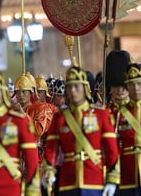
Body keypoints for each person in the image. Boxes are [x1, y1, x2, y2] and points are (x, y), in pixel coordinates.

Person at [42, 65, 119, 196]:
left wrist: (112, 178)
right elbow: (52, 149)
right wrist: (49, 169)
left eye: (77, 86)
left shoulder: (101, 115)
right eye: (70, 86)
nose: (73, 90)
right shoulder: (59, 117)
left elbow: (111, 149)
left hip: (93, 180)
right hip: (68, 181)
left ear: (85, 88)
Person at [116, 62, 141, 195]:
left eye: (139, 83)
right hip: (127, 174)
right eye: (131, 84)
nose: (135, 88)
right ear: (127, 86)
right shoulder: (119, 113)